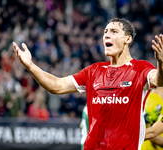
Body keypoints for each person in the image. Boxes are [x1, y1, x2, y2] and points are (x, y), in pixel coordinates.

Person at [13, 18, 163, 150]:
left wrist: (161, 63)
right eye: (105, 31)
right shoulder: (93, 71)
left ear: (127, 39)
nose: (107, 35)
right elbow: (56, 86)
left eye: (114, 31)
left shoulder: (140, 68)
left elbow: (158, 80)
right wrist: (30, 66)